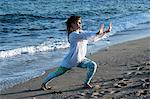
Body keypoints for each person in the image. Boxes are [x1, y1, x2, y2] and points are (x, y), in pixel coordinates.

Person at [41, 16, 112, 90]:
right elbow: (85, 35)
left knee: (92, 65)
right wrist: (97, 32)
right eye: (77, 23)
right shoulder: (73, 35)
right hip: (71, 60)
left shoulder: (81, 32)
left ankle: (86, 83)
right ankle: (43, 84)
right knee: (57, 73)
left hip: (80, 58)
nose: (79, 24)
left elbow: (91, 37)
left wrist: (105, 32)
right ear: (72, 24)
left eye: (80, 23)